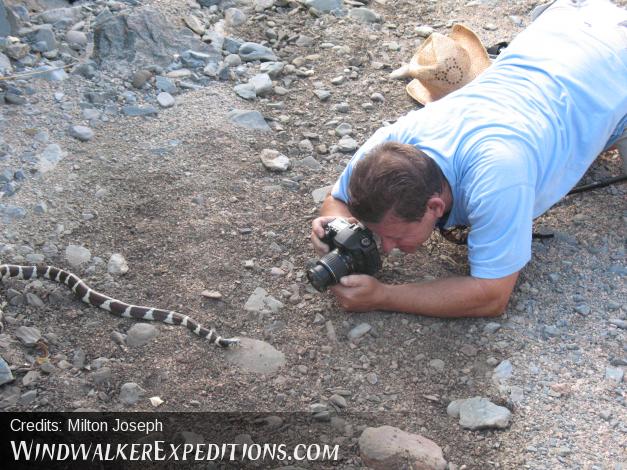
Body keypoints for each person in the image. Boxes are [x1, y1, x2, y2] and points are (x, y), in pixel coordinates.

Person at [310, 0, 627, 318]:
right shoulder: (386, 148)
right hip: (560, 25)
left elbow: (491, 295)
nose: (387, 247)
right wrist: (337, 233)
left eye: (395, 235)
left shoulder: (498, 175)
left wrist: (384, 296)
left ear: (435, 206)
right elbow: (335, 201)